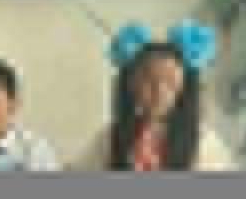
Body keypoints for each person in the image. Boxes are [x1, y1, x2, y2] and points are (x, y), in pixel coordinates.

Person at [73, 21, 234, 171]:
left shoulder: (203, 142)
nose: (159, 91)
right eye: (148, 80)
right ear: (131, 85)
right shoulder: (113, 137)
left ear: (184, 89)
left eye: (170, 82)